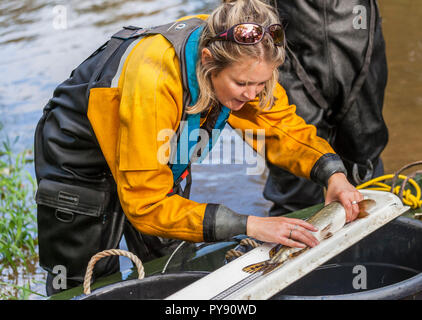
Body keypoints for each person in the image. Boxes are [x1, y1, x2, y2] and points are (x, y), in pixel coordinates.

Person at [34, 0, 363, 295]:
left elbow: (279, 127)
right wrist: (251, 224)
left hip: (158, 142)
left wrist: (332, 174)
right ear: (207, 61)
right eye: (243, 85)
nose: (253, 93)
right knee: (89, 280)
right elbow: (147, 205)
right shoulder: (154, 78)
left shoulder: (243, 56)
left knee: (170, 261)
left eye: (261, 83)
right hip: (80, 155)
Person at [264, 0, 388, 216]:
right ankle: (292, 231)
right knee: (293, 162)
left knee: (363, 156)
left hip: (356, 34)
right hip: (285, 40)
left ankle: (375, 227)